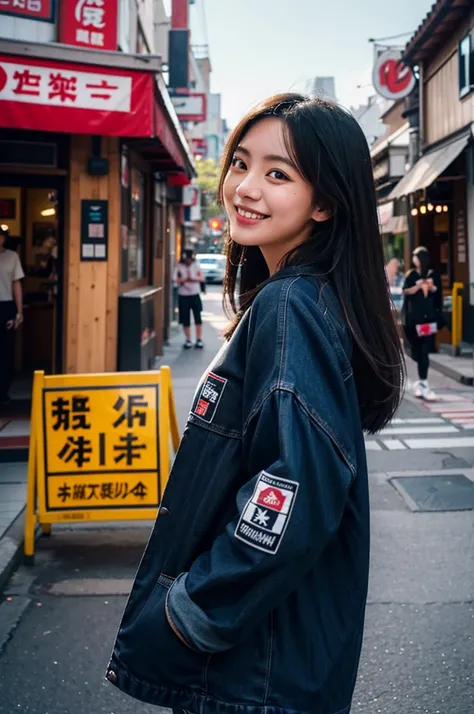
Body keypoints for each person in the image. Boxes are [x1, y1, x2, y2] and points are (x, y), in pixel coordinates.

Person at [106, 94, 404, 714]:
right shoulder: (306, 299)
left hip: (255, 672)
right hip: (278, 660)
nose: (244, 187)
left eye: (278, 174)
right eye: (241, 163)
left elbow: (293, 489)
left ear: (325, 203)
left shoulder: (290, 305)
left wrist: (192, 610)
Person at [402, 246, 442, 401]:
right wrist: (418, 286)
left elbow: (438, 293)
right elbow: (406, 290)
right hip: (412, 319)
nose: (414, 259)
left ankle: (424, 382)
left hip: (427, 319)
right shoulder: (411, 275)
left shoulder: (433, 275)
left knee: (424, 349)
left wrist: (431, 287)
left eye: (416, 257)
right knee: (414, 349)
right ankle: (421, 379)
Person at [0, 227, 24, 405]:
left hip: (6, 305)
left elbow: (16, 284)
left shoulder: (12, 257)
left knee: (5, 350)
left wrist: (19, 311)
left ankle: (3, 391)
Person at [173, 248, 205, 349]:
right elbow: (174, 279)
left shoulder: (196, 265)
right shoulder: (179, 266)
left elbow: (201, 278)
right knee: (185, 317)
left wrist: (193, 279)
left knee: (197, 316)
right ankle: (188, 339)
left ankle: (199, 339)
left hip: (195, 293)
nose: (188, 261)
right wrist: (184, 279)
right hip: (183, 294)